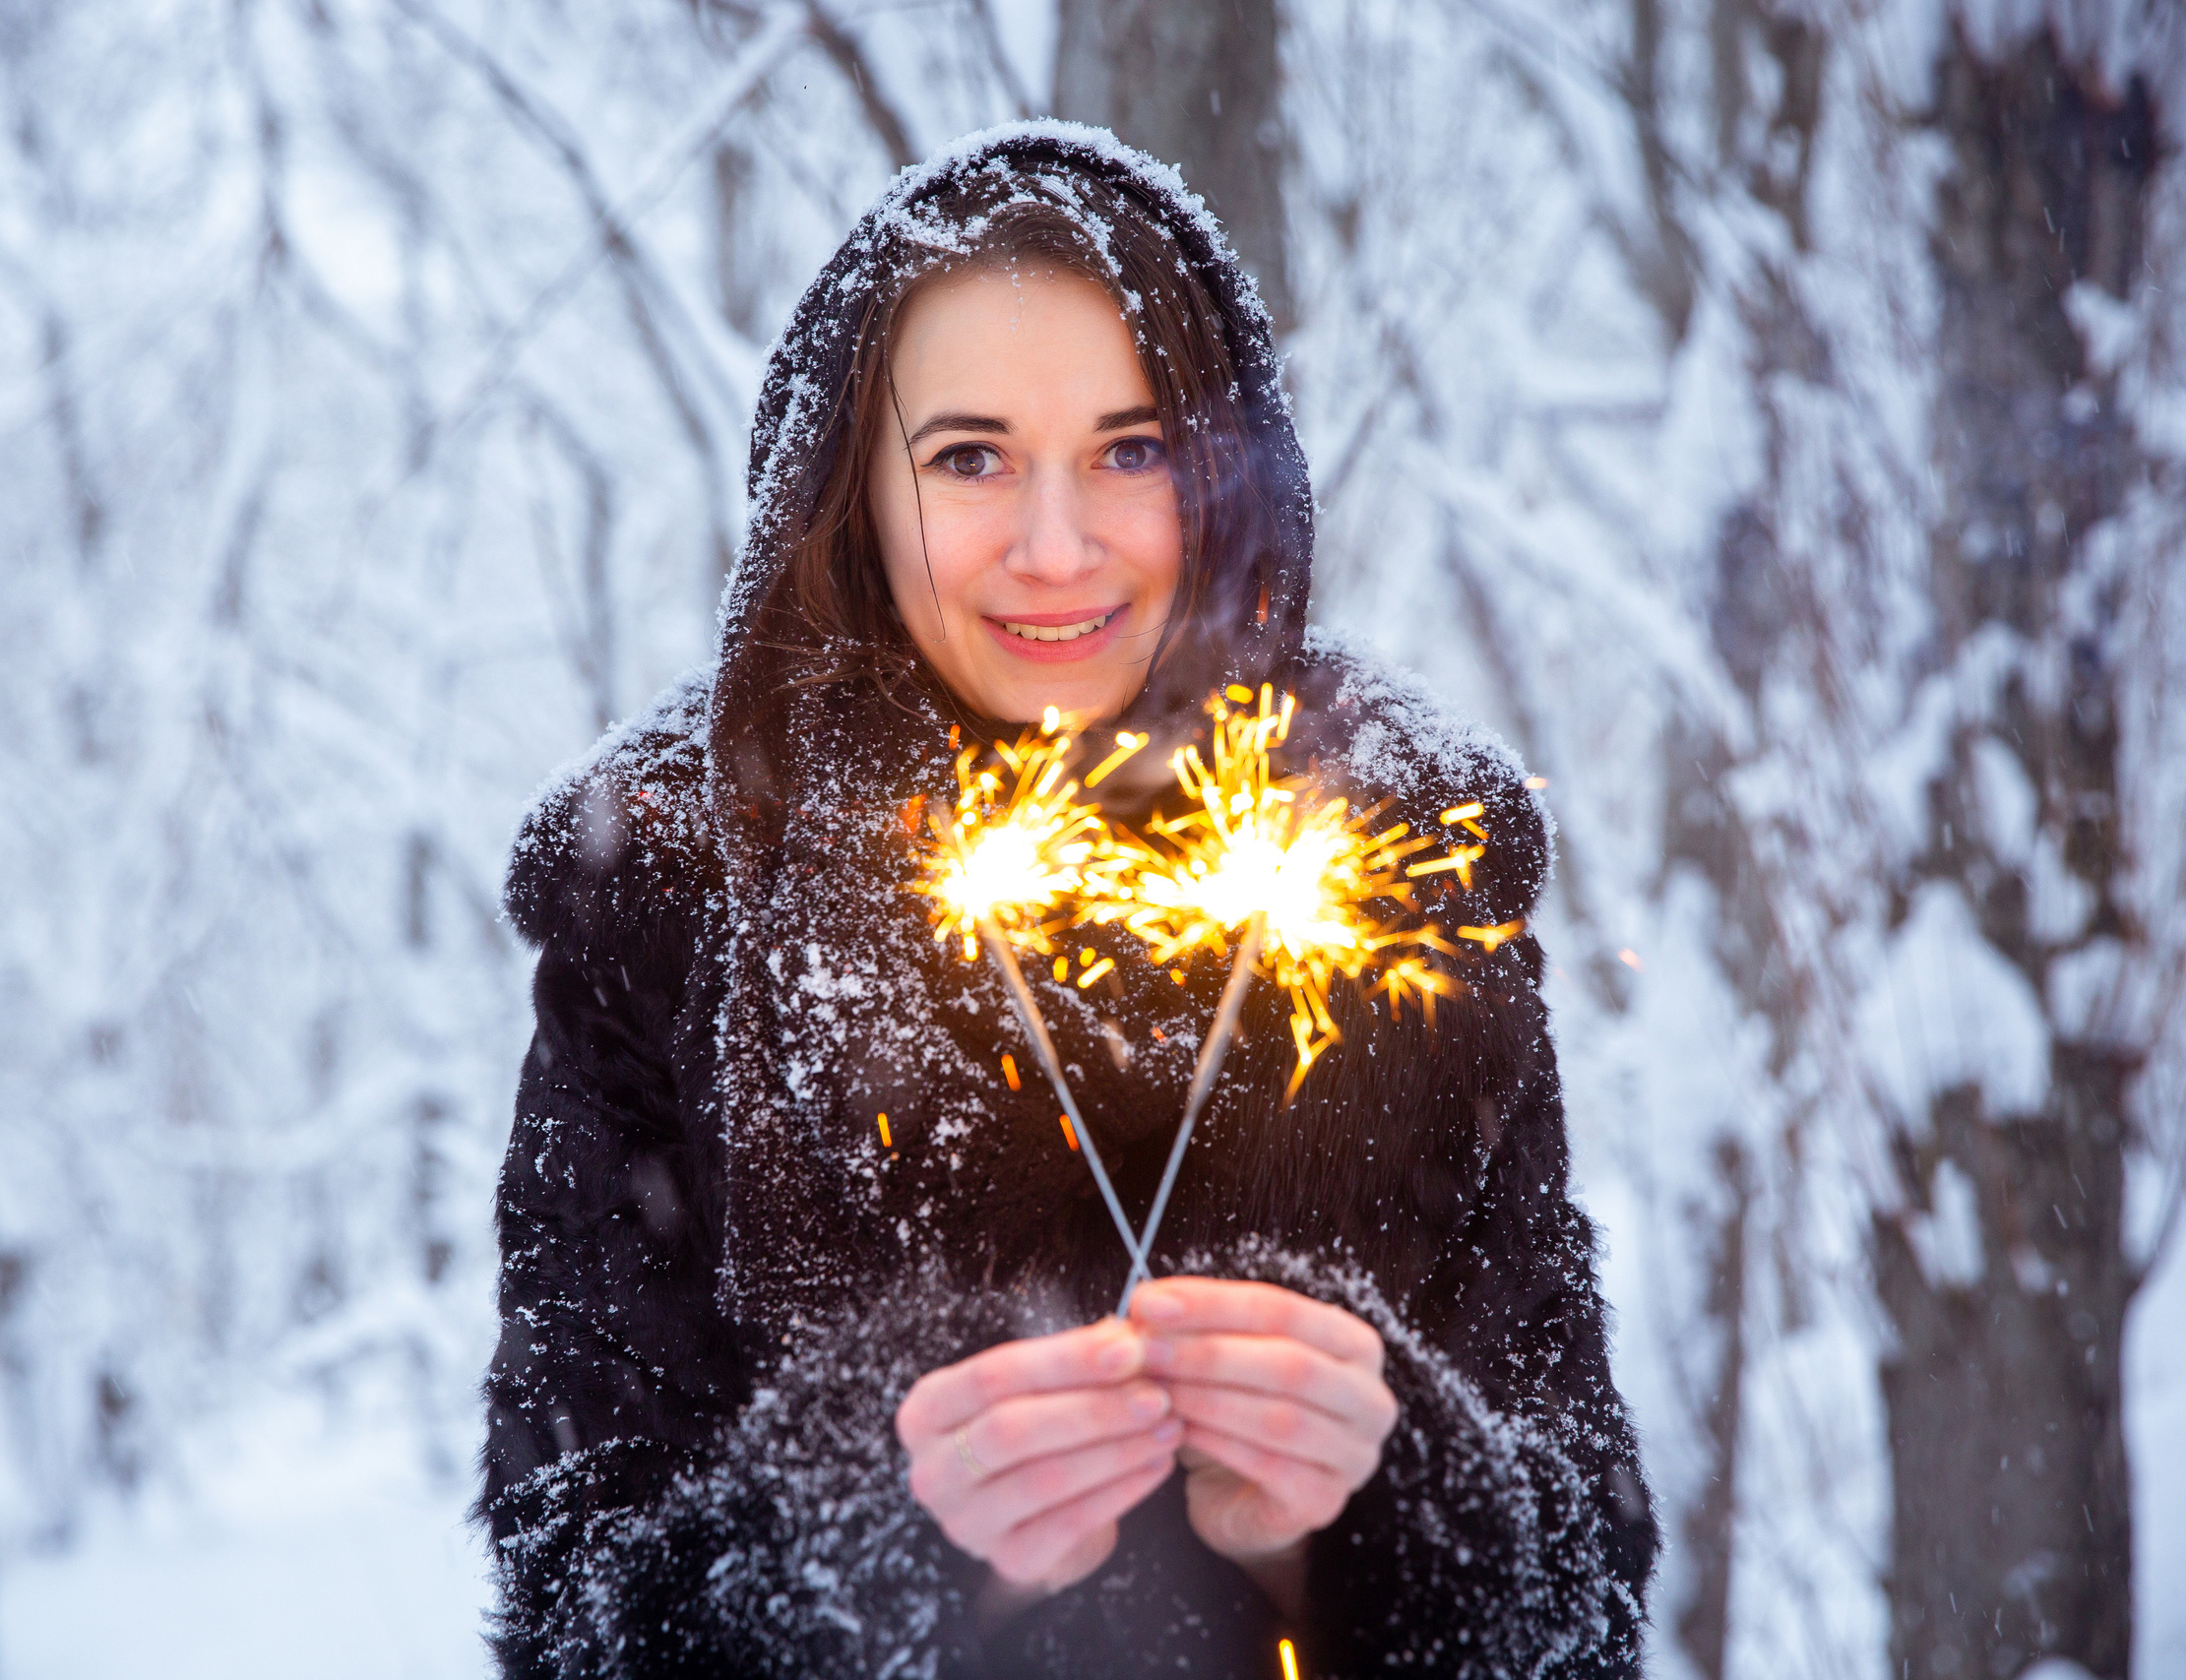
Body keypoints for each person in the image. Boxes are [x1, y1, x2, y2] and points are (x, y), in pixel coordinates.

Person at [482, 123, 1655, 1678]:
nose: (1057, 546)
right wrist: (854, 1540)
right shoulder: (671, 899)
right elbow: (573, 1618)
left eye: (1133, 450)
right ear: (854, 493)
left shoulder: (1403, 873)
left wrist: (1375, 1520)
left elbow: (1584, 1611)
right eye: (970, 459)